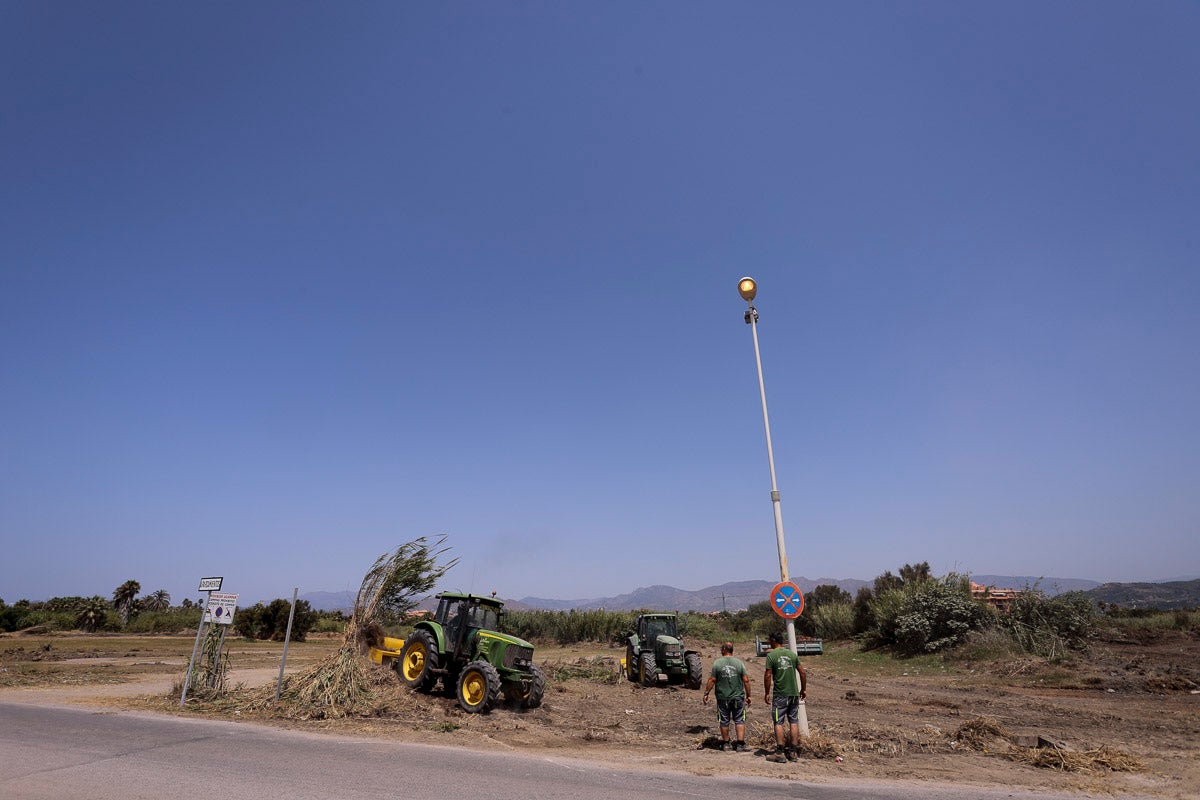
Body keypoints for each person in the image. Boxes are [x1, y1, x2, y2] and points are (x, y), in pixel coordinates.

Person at [763, 631, 808, 763]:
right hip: (794, 694)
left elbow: (767, 675)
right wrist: (803, 689)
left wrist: (766, 692)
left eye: (769, 640)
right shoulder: (792, 655)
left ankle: (779, 752)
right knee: (794, 721)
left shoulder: (771, 656)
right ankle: (793, 752)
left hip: (780, 695)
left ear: (773, 640)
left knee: (778, 722)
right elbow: (803, 673)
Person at [703, 641, 752, 752]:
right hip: (738, 698)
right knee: (740, 720)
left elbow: (712, 680)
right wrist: (749, 696)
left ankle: (726, 744)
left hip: (722, 698)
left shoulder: (717, 663)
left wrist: (706, 693)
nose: (721, 650)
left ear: (724, 649)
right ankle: (740, 744)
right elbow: (746, 680)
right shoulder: (739, 663)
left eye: (721, 648)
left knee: (724, 720)